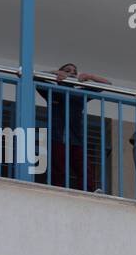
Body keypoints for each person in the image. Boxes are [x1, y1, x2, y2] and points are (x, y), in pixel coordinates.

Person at [38, 63, 112, 191]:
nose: (71, 73)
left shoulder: (80, 93)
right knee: (58, 168)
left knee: (84, 168)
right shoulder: (51, 90)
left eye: (74, 72)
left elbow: (107, 84)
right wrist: (54, 72)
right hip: (58, 137)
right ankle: (57, 190)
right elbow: (34, 77)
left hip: (76, 139)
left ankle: (89, 191)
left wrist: (90, 76)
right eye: (67, 71)